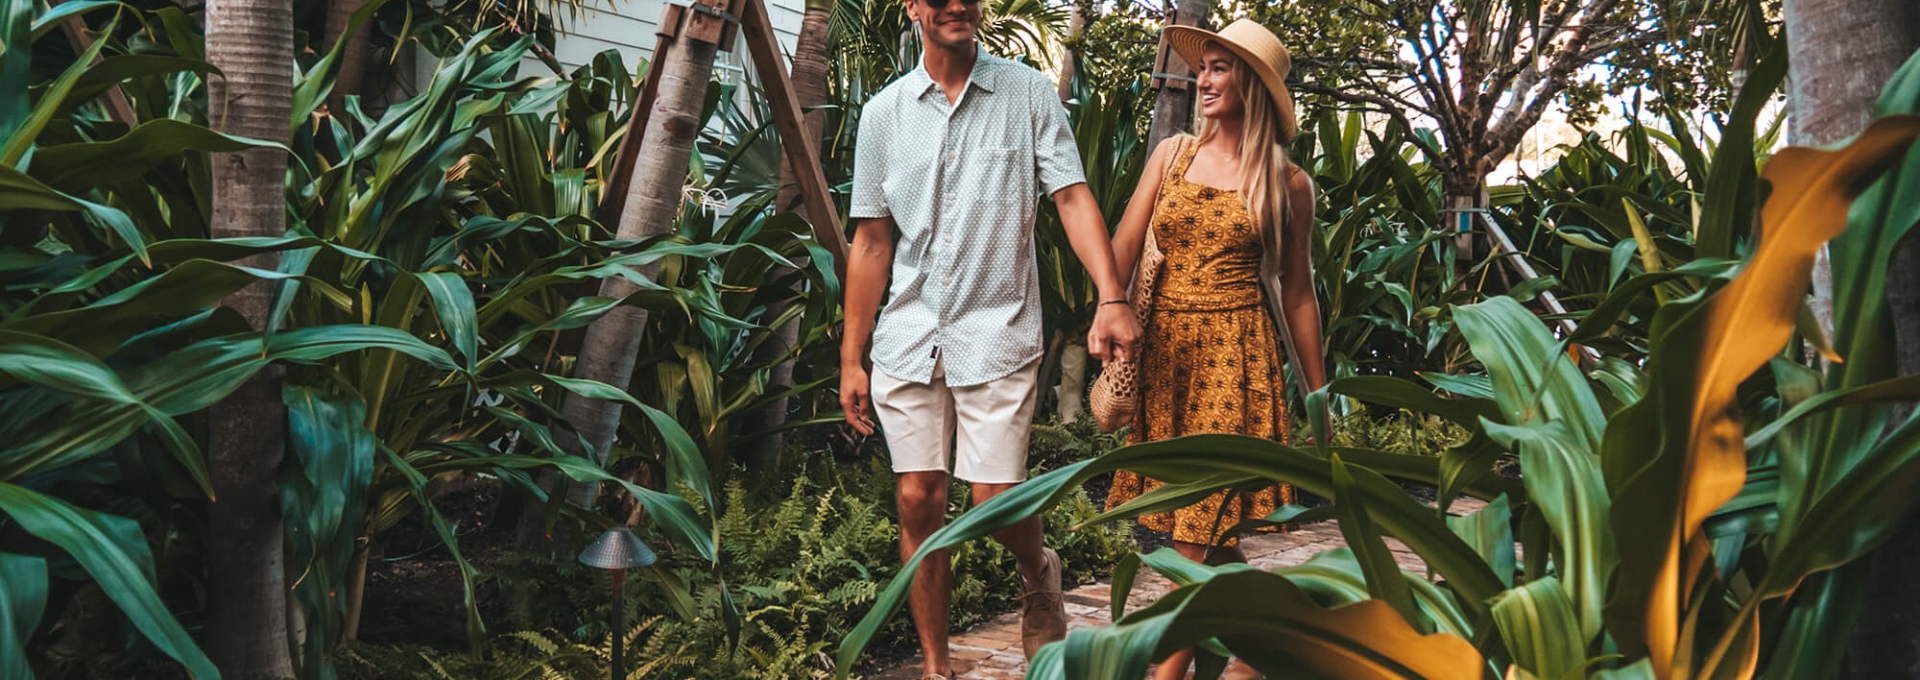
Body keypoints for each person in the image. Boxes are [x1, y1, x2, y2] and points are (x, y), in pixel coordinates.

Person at [837, 0, 1144, 676]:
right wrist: (850, 358)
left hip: (998, 329)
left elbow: (1070, 196)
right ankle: (937, 664)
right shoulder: (884, 114)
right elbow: (871, 241)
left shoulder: (1027, 93)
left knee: (994, 499)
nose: (956, 5)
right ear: (913, 7)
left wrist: (1112, 297)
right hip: (909, 334)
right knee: (918, 498)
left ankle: (1038, 570)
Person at [1101, 18, 1328, 679]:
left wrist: (1319, 397)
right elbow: (1123, 242)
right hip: (1166, 356)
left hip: (1237, 358)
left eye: (1222, 67)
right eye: (1206, 66)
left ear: (1253, 84)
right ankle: (1263, 650)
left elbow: (1299, 292)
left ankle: (1167, 674)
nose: (1204, 78)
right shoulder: (1172, 154)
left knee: (1195, 534)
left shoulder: (1287, 185)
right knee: (1191, 529)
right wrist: (1106, 310)